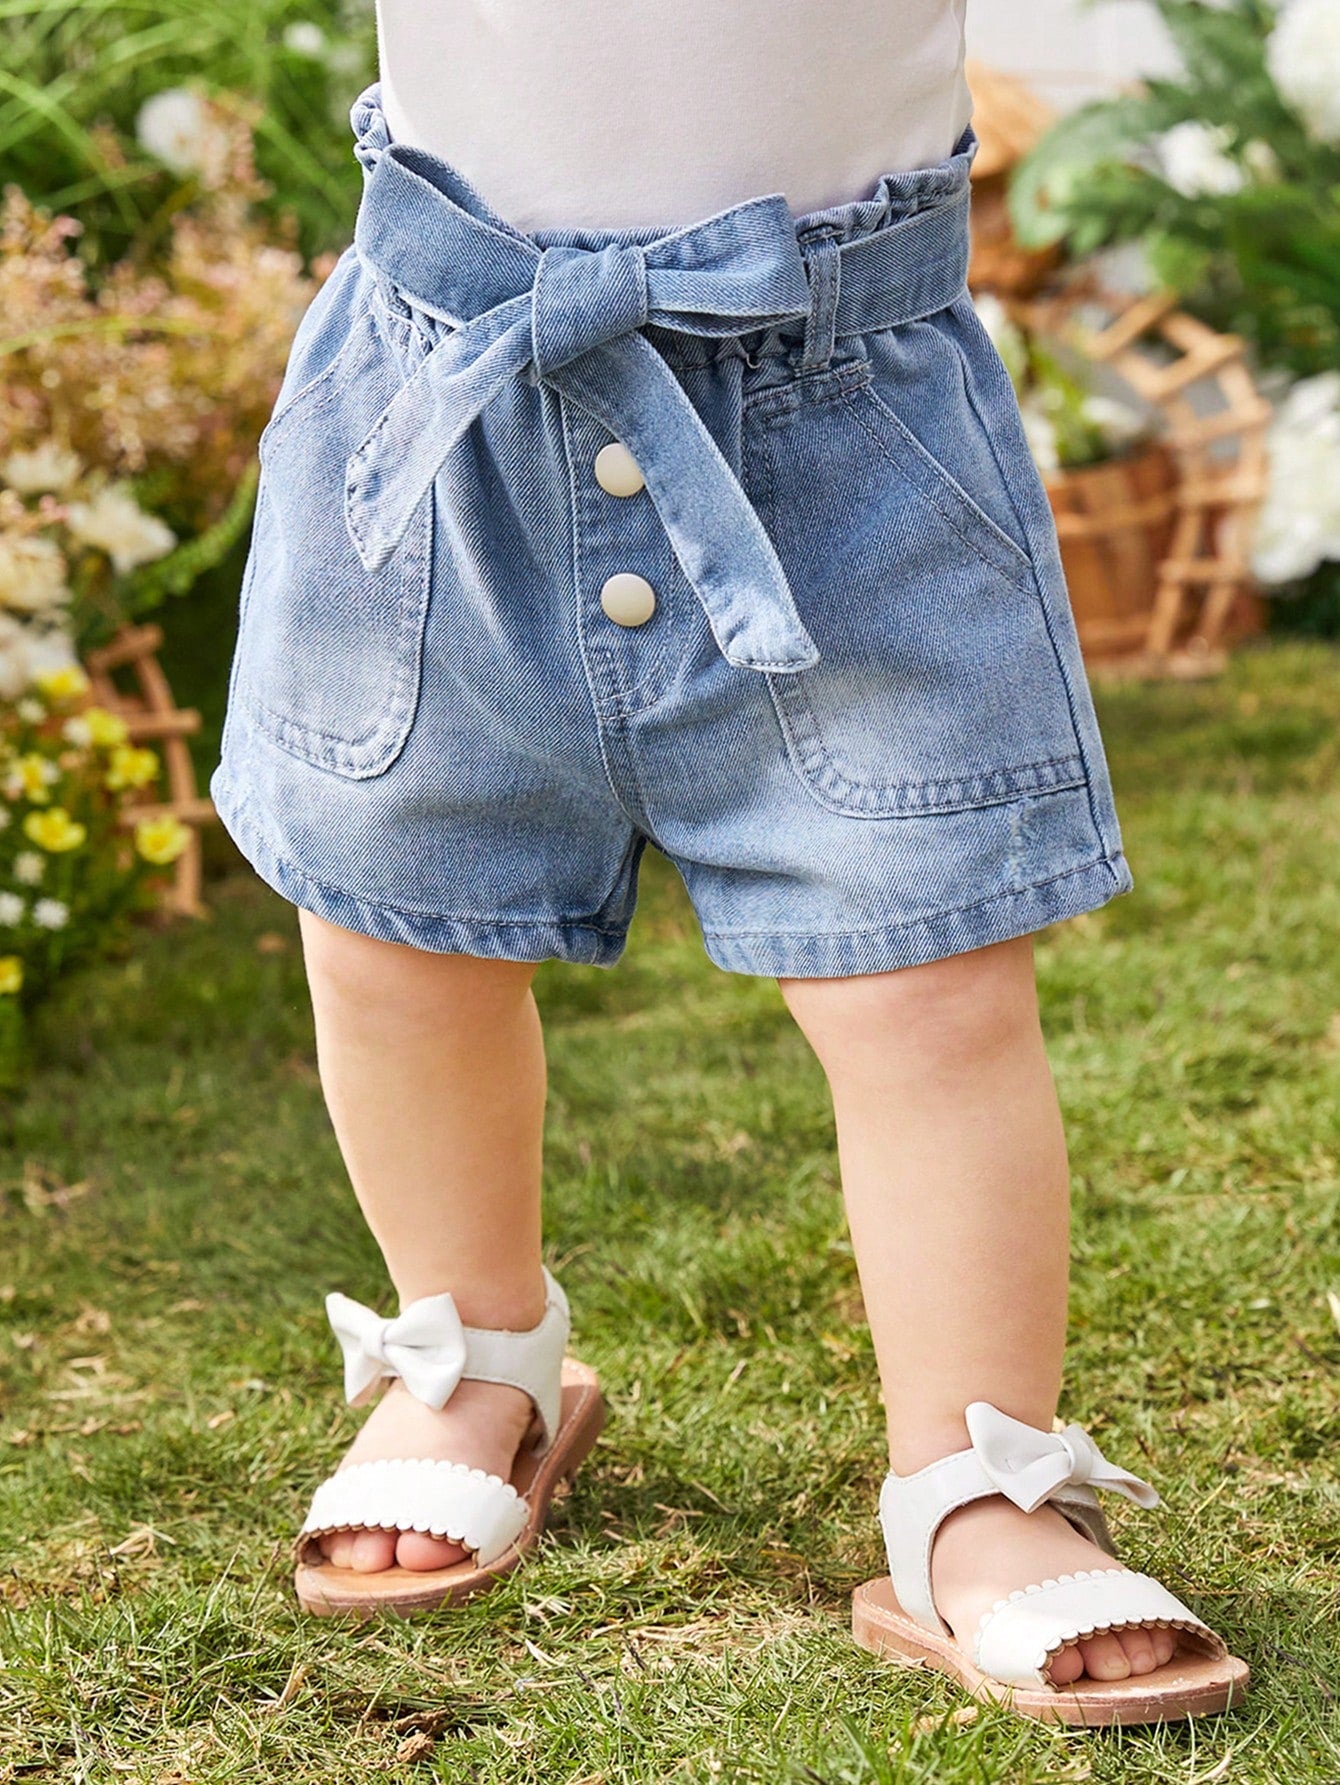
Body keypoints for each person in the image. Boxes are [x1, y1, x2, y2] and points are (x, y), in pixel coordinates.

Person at [208, 0, 1248, 1723]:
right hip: (446, 392)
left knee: (925, 985)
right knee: (397, 934)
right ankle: (474, 1348)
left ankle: (976, 1480)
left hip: (838, 425)